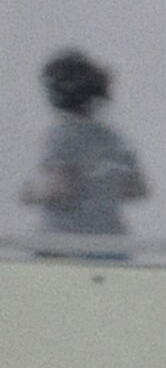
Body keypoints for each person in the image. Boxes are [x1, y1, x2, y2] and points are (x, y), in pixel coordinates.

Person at [21, 49, 148, 247]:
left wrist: (31, 192)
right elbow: (137, 188)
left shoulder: (60, 137)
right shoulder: (111, 138)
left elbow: (59, 190)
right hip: (110, 241)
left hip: (65, 245)